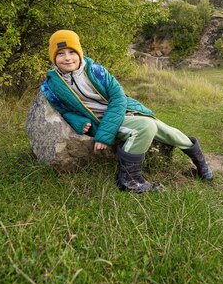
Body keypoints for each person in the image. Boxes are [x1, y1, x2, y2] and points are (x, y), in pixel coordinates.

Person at [40, 30, 213, 193]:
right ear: (53, 57)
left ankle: (200, 162)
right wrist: (77, 121)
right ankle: (129, 179)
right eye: (60, 54)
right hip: (100, 119)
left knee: (167, 131)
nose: (67, 58)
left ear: (79, 53)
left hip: (123, 111)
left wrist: (106, 133)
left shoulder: (95, 70)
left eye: (72, 52)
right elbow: (63, 110)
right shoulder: (51, 85)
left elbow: (118, 96)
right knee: (146, 127)